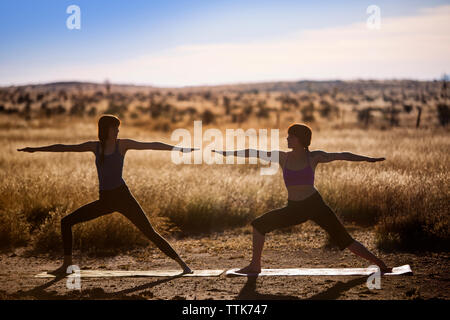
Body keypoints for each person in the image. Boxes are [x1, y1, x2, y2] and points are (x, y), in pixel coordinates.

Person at [18, 114, 195, 275]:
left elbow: (151, 145)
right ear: (106, 129)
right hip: (106, 200)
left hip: (123, 197)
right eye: (115, 127)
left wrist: (178, 149)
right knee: (66, 222)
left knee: (149, 232)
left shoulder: (122, 145)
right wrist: (36, 149)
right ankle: (67, 266)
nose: (118, 130)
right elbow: (65, 148)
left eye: (118, 128)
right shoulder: (95, 147)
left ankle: (183, 265)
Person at [213, 123, 392, 274]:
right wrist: (228, 153)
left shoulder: (313, 157)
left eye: (291, 136)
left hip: (315, 204)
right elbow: (254, 152)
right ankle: (255, 266)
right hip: (294, 208)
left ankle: (380, 264)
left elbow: (342, 155)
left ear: (300, 139)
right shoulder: (283, 157)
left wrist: (368, 159)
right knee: (259, 225)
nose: (287, 139)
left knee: (344, 238)